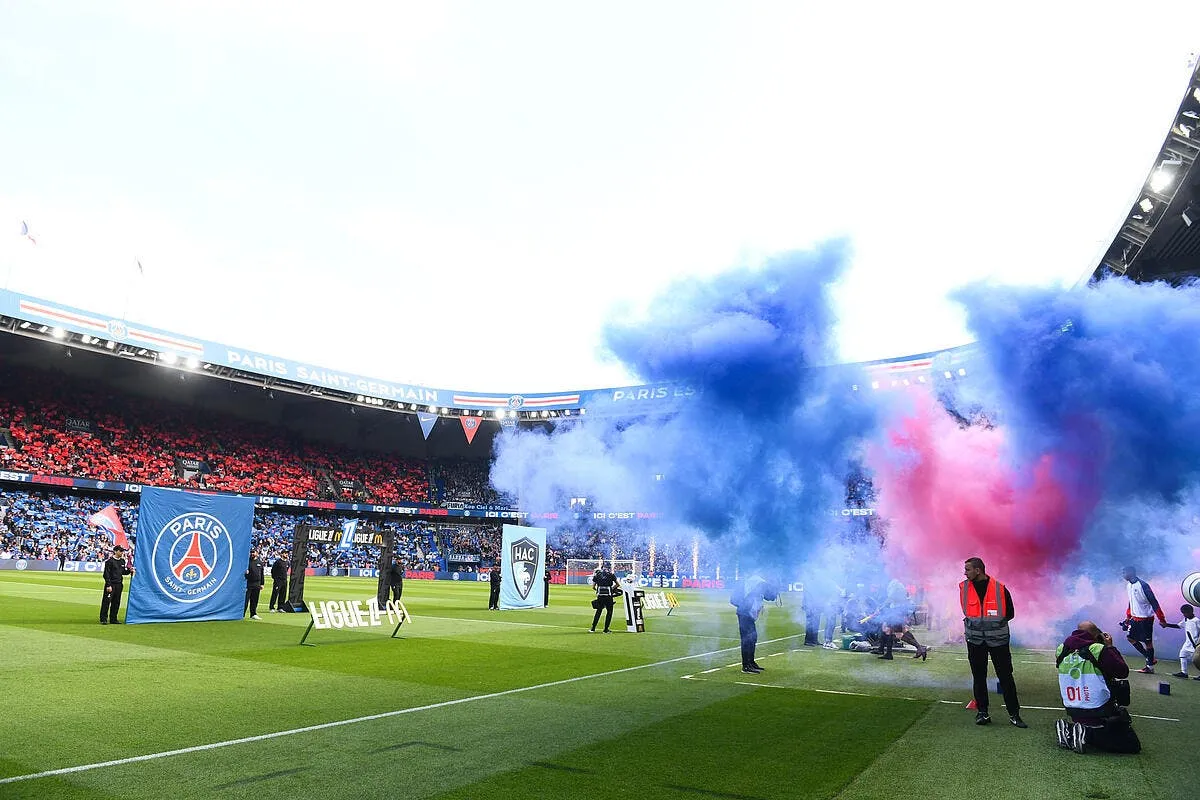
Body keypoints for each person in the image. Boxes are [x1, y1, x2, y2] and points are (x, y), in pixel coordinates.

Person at [1054, 620, 1140, 754]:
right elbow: (1122, 671)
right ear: (1095, 635)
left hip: (1072, 707)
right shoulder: (1097, 649)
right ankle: (1084, 733)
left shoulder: (1061, 649)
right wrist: (1110, 647)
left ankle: (1070, 730)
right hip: (1098, 708)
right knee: (1131, 744)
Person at [961, 557, 1026, 727]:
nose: (965, 573)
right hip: (975, 641)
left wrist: (991, 625)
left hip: (998, 641)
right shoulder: (964, 587)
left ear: (978, 570)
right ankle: (982, 713)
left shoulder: (1000, 588)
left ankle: (1014, 714)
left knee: (1005, 677)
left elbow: (1010, 613)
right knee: (979, 677)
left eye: (967, 569)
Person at [1120, 566, 1167, 674]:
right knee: (1130, 638)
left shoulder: (1143, 585)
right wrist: (1128, 617)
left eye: (1124, 572)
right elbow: (1131, 602)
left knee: (1148, 643)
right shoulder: (1128, 586)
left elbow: (1154, 602)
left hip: (1146, 619)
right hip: (1135, 618)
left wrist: (1162, 619)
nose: (1123, 575)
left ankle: (1150, 667)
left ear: (1131, 573)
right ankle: (1150, 658)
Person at [731, 575, 779, 673]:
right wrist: (775, 590)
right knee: (747, 639)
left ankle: (751, 662)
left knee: (752, 638)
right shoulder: (760, 583)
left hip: (747, 613)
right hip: (745, 614)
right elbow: (770, 597)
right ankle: (746, 665)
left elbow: (768, 596)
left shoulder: (756, 582)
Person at [1164, 604, 1200, 679]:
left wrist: (1198, 643)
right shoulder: (1185, 620)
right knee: (1182, 654)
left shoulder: (1196, 621)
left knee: (1197, 660)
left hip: (1196, 644)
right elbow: (1179, 626)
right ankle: (1184, 672)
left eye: (1185, 613)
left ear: (1191, 611)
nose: (1184, 614)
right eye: (1183, 613)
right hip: (1188, 643)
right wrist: (1167, 625)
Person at [99, 545, 133, 624]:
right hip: (111, 584)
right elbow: (106, 574)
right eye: (120, 551)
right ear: (115, 551)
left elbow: (123, 572)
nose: (122, 552)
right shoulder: (109, 562)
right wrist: (108, 585)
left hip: (119, 584)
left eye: (122, 551)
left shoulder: (122, 561)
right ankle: (103, 619)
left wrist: (129, 571)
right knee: (106, 602)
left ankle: (113, 619)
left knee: (116, 602)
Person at [589, 565, 620, 633]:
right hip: (608, 596)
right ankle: (606, 629)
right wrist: (611, 589)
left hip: (600, 596)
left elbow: (593, 587)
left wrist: (598, 590)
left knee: (598, 611)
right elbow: (618, 584)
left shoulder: (597, 575)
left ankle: (593, 628)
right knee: (609, 612)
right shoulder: (611, 575)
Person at [244, 550, 264, 620]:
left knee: (255, 600)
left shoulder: (260, 563)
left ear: (257, 553)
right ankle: (242, 614)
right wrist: (246, 573)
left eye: (253, 552)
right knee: (246, 600)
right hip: (248, 583)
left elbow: (262, 574)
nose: (252, 554)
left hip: (257, 584)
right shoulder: (247, 562)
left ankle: (253, 614)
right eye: (251, 552)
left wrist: (262, 583)